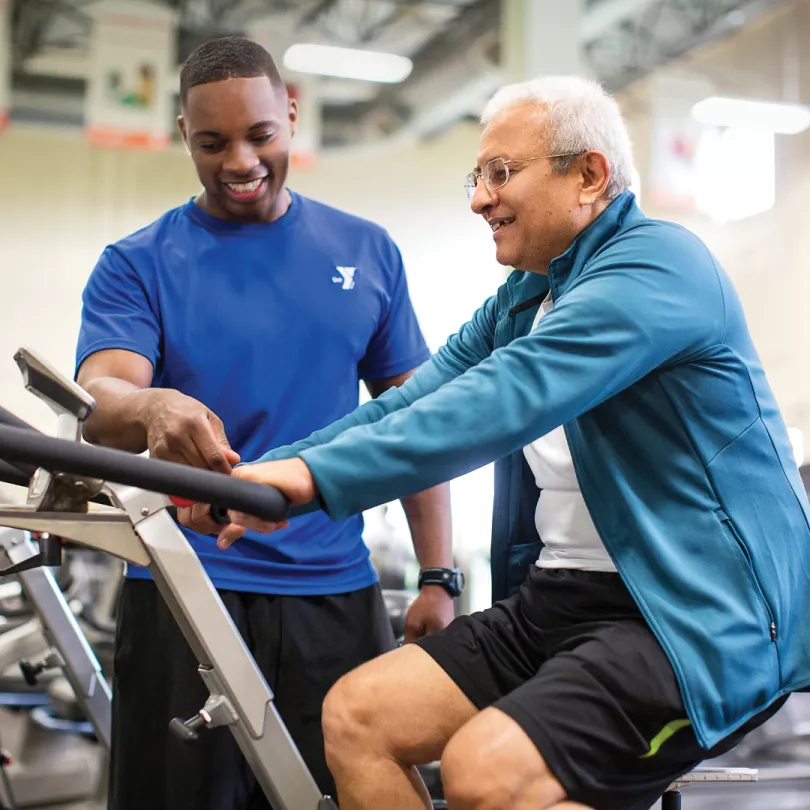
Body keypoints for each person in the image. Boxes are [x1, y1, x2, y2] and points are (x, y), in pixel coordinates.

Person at [218, 75, 810, 810]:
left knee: (486, 771)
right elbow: (414, 400)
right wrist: (271, 472)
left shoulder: (660, 267)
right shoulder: (528, 296)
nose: (479, 199)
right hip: (562, 600)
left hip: (693, 617)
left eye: (502, 174)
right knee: (358, 718)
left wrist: (314, 480)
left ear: (588, 175)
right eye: (478, 176)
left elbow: (502, 399)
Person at [74, 36, 456, 810]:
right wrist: (151, 404)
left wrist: (438, 575)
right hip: (186, 591)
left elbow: (415, 425)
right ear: (185, 136)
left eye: (260, 136)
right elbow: (101, 400)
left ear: (291, 113)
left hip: (334, 597)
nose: (240, 162)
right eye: (212, 143)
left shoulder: (366, 252)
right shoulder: (138, 262)